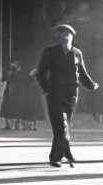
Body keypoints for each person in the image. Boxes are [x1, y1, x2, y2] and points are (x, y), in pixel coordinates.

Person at [33, 23, 98, 167]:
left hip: (71, 95)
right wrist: (46, 89)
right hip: (55, 93)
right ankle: (64, 155)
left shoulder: (77, 53)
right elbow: (40, 73)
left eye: (66, 34)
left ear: (72, 36)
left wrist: (92, 85)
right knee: (61, 125)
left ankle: (57, 156)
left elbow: (82, 73)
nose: (63, 36)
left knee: (62, 126)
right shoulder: (50, 52)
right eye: (60, 34)